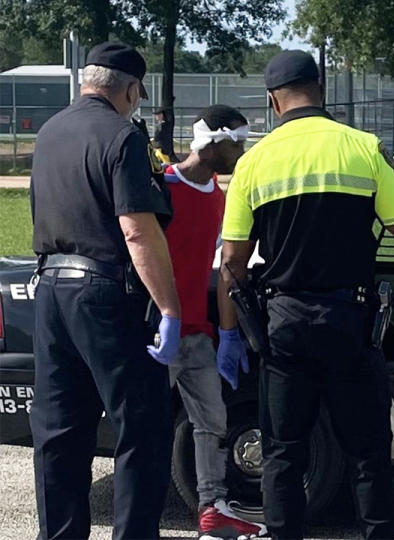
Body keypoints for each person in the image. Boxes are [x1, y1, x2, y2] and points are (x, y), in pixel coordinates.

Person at [215, 50, 394, 540]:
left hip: (282, 326)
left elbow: (234, 265)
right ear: (319, 88)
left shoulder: (254, 162)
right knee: (367, 450)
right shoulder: (364, 148)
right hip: (351, 320)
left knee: (284, 450)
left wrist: (229, 334)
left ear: (272, 101)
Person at [29, 42, 180, 539]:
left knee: (59, 432)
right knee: (141, 426)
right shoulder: (123, 138)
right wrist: (169, 309)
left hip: (50, 288)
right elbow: (137, 229)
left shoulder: (50, 133)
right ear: (132, 90)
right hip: (106, 291)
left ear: (85, 82)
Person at [161, 104, 268, 540]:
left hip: (198, 334)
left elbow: (225, 264)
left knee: (213, 421)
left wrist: (227, 334)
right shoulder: (161, 187)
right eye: (236, 141)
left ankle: (212, 509)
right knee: (147, 425)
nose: (240, 151)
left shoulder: (220, 197)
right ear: (213, 140)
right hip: (160, 332)